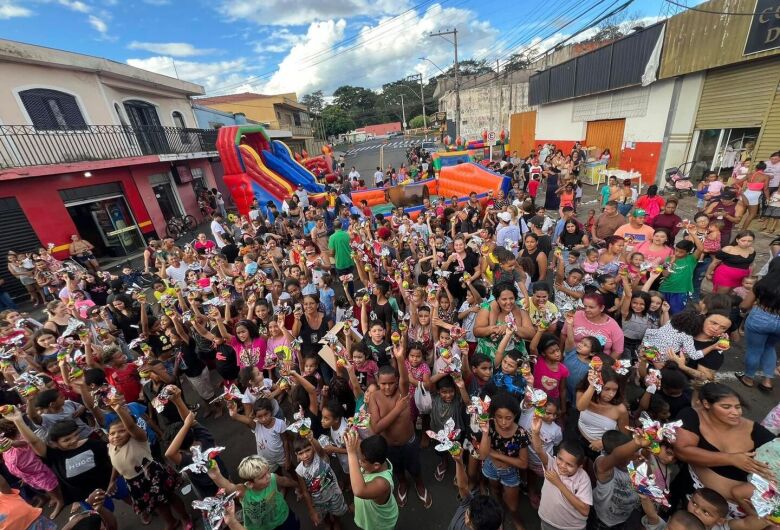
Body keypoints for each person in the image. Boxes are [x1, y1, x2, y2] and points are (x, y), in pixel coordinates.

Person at [736, 257, 780, 391]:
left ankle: (748, 378)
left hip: (761, 317)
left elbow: (745, 305)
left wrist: (741, 310)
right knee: (770, 347)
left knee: (755, 349)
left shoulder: (762, 284)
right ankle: (767, 381)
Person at [740, 161, 770, 230]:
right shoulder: (766, 176)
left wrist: (740, 189)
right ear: (764, 169)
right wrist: (768, 198)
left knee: (741, 211)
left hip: (745, 193)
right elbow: (766, 189)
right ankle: (743, 230)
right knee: (752, 214)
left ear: (756, 168)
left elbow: (736, 182)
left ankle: (732, 225)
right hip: (755, 195)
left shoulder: (750, 174)